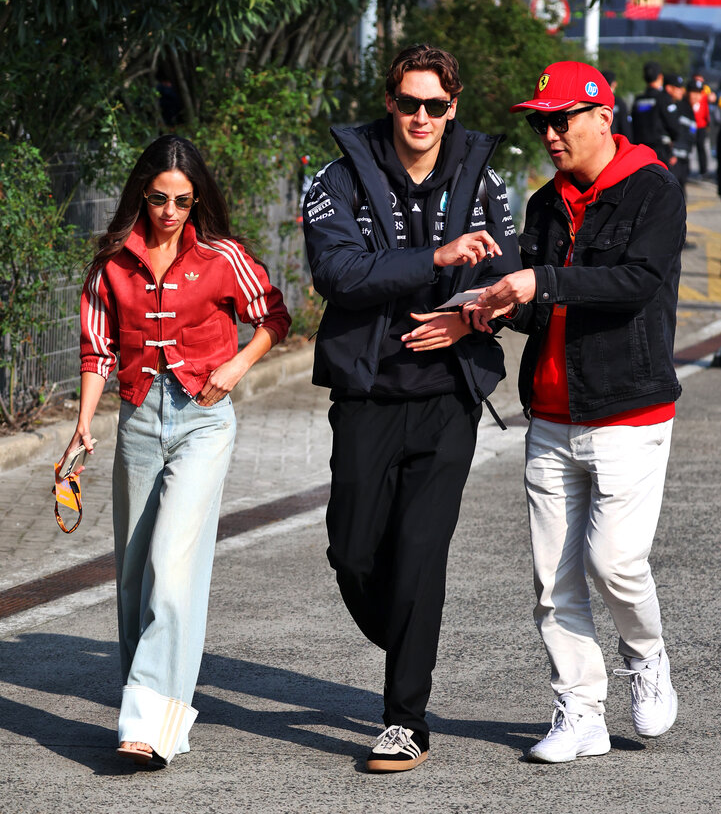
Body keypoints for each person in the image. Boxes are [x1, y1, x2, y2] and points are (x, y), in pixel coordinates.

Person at [302, 43, 521, 772]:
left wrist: (473, 315)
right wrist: (435, 257)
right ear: (389, 101)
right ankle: (404, 628)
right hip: (366, 390)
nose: (421, 116)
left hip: (446, 399)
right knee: (352, 552)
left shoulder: (487, 180)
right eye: (408, 103)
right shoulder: (336, 177)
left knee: (421, 555)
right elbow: (338, 272)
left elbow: (510, 283)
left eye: (435, 105)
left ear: (452, 106)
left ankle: (404, 720)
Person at [467, 60, 684, 764]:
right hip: (552, 414)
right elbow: (543, 305)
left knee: (614, 563)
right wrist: (495, 307)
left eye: (560, 119)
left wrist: (542, 279)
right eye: (540, 122)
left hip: (628, 410)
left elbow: (635, 283)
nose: (549, 133)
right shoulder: (544, 203)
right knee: (550, 579)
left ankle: (646, 658)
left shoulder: (654, 189)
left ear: (601, 117)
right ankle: (578, 710)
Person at [60, 135, 291, 766]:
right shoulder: (113, 263)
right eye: (159, 198)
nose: (169, 211)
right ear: (143, 194)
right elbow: (96, 350)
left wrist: (237, 366)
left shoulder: (221, 257)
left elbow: (274, 317)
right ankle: (159, 716)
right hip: (137, 419)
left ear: (196, 200)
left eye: (182, 201)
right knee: (133, 574)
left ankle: (145, 723)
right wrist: (82, 426)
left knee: (172, 563)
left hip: (203, 421)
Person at [631, 60, 672, 162]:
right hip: (659, 149)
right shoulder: (663, 98)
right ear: (660, 77)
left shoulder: (638, 100)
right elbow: (672, 124)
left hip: (640, 149)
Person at [662, 74, 695, 196]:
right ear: (669, 88)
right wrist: (671, 153)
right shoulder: (668, 106)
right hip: (672, 158)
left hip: (683, 158)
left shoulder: (685, 108)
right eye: (678, 87)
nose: (681, 90)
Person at [688, 75, 711, 177]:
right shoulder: (687, 96)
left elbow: (706, 109)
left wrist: (707, 122)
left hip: (701, 125)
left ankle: (703, 170)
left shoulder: (704, 95)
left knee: (701, 147)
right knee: (688, 147)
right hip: (691, 125)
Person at [601, 69, 630, 137]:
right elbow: (625, 128)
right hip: (615, 143)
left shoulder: (594, 103)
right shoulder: (619, 103)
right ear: (614, 84)